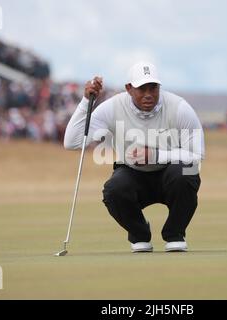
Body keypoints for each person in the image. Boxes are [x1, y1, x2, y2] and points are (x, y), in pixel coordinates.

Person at [64, 62, 205, 253]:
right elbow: (72, 142)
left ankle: (175, 233)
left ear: (159, 87)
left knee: (188, 171)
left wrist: (155, 155)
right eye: (141, 88)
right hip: (132, 172)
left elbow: (196, 155)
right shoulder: (113, 107)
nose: (148, 94)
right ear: (129, 89)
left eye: (153, 87)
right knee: (114, 190)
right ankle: (139, 234)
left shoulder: (179, 107)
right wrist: (85, 102)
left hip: (171, 173)